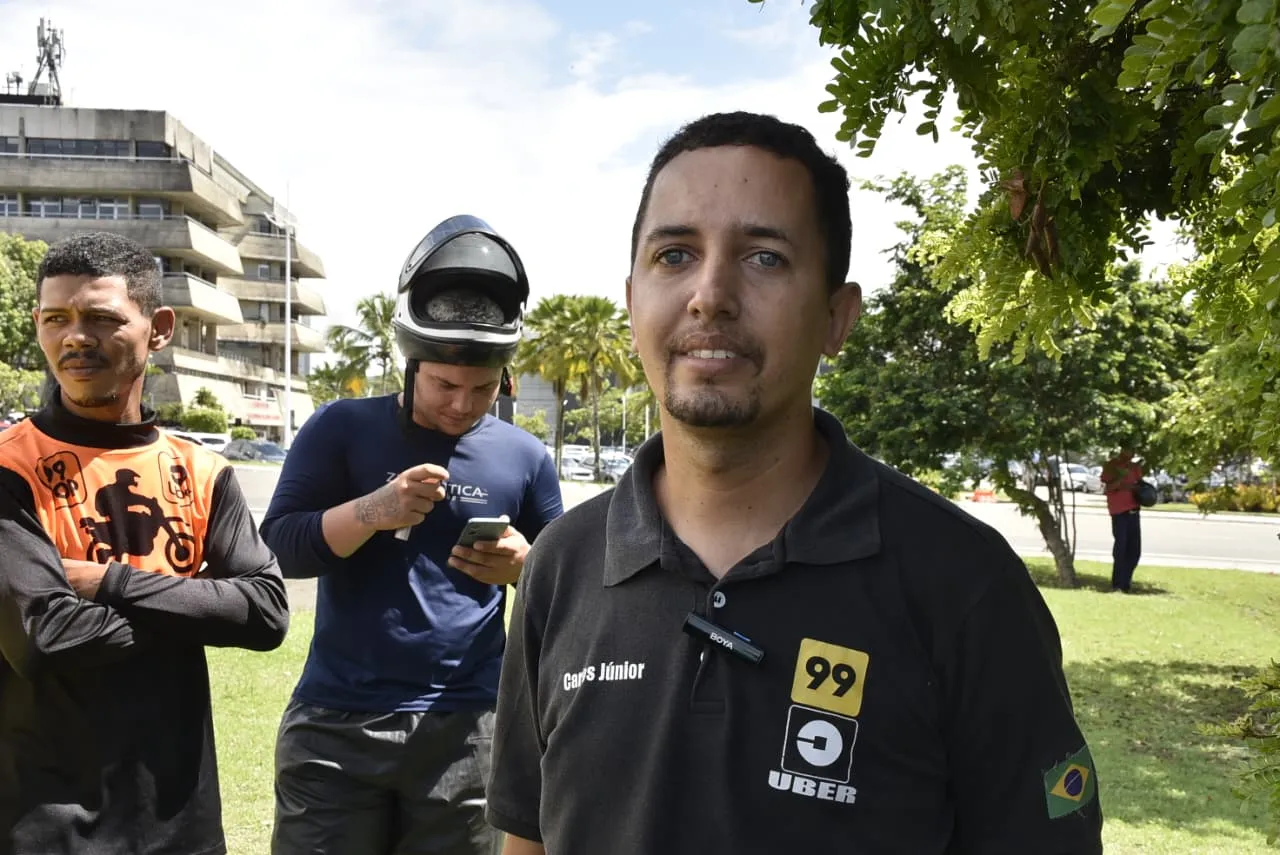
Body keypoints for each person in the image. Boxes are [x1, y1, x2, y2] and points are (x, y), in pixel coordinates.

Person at [486, 112, 1104, 854]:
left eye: (765, 258)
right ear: (631, 302)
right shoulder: (561, 566)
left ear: (837, 319)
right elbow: (527, 834)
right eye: (675, 254)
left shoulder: (965, 585)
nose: (709, 294)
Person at [261, 215, 564, 855]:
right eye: (444, 385)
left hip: (470, 727)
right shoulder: (342, 427)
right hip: (336, 721)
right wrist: (373, 510)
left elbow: (568, 592)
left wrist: (526, 566)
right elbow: (283, 548)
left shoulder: (525, 455)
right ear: (410, 364)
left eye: (483, 389)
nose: (461, 404)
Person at [0, 231, 290, 854]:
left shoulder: (203, 472)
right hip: (45, 826)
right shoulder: (10, 468)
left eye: (102, 318)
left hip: (182, 825)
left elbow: (266, 615)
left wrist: (107, 582)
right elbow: (45, 638)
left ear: (158, 328)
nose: (75, 337)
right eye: (57, 319)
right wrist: (202, 607)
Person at [1101, 448, 1144, 593]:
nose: (1130, 454)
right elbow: (1108, 488)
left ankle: (1126, 582)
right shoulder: (1111, 466)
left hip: (1134, 511)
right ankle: (1117, 582)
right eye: (1128, 450)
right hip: (1119, 512)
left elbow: (1139, 485)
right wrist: (1121, 479)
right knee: (1121, 547)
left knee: (1134, 550)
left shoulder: (1135, 467)